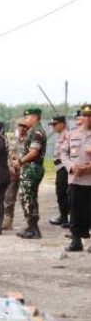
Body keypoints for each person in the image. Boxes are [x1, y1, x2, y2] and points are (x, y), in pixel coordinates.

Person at [60, 104, 91, 252]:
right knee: (75, 210)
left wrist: (89, 168)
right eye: (85, 115)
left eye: (90, 115)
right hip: (75, 179)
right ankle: (76, 240)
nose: (87, 118)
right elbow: (63, 153)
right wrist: (71, 166)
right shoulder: (73, 134)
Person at [14, 108, 47, 239]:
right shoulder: (33, 131)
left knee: (27, 197)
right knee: (29, 197)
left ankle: (33, 229)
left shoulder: (37, 132)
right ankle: (31, 227)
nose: (26, 120)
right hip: (31, 168)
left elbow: (34, 152)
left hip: (33, 168)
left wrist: (20, 161)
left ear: (34, 117)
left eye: (27, 118)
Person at [2, 119, 28, 230]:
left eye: (24, 126)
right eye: (20, 125)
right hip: (12, 172)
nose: (22, 128)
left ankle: (29, 222)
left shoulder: (30, 140)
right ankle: (8, 220)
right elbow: (7, 155)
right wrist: (10, 166)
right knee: (9, 197)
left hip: (25, 172)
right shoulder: (11, 140)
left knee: (26, 198)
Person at [48, 116, 70, 227]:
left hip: (64, 167)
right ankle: (63, 216)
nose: (54, 127)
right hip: (59, 167)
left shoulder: (67, 135)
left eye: (55, 124)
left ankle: (66, 218)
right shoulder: (61, 135)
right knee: (60, 192)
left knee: (63, 192)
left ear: (62, 124)